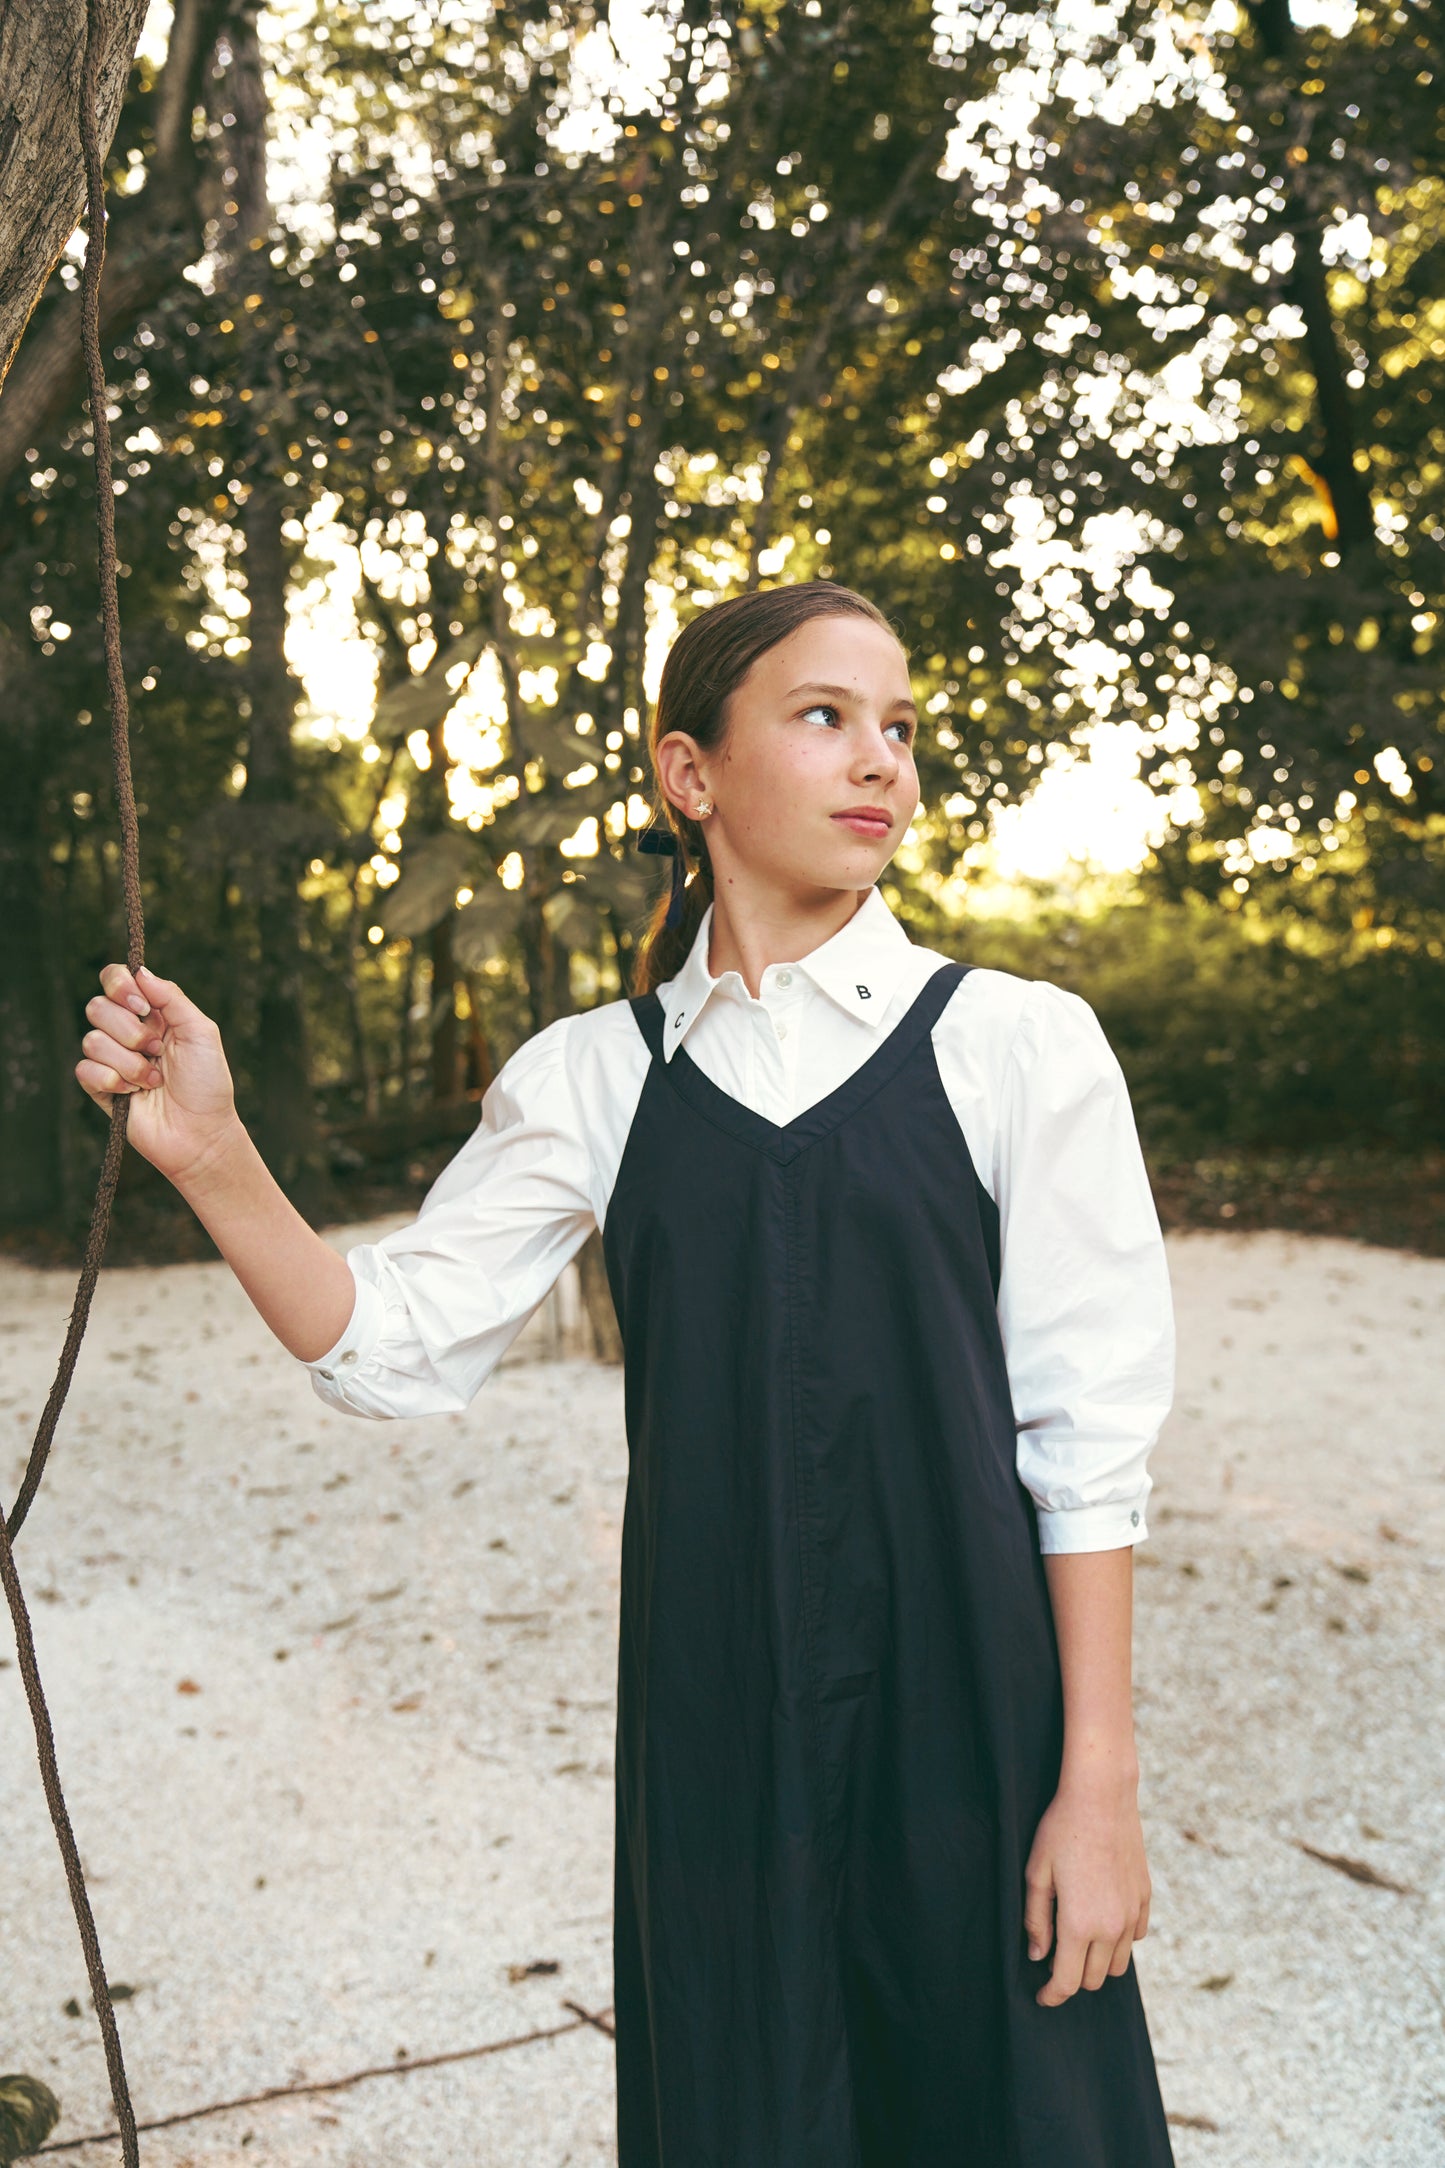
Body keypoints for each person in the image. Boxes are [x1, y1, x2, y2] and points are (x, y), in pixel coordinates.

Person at [76, 579, 1178, 2166]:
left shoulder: (1015, 1042)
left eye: (901, 727)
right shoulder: (593, 1076)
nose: (882, 761)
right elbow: (389, 1349)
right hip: (713, 1737)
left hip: (979, 1730)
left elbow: (1084, 1437)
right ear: (690, 772)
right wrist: (219, 1157)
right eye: (824, 716)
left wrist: (1097, 1787)